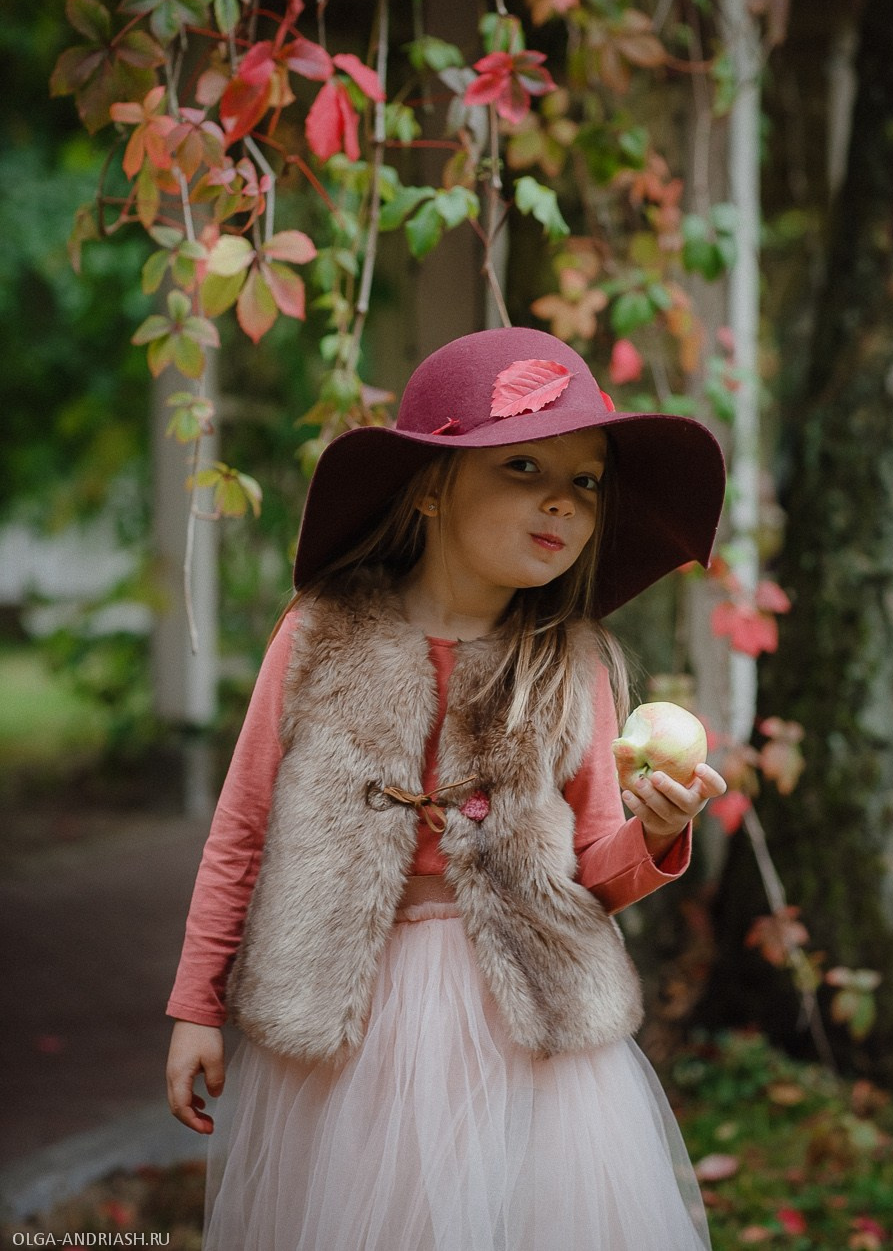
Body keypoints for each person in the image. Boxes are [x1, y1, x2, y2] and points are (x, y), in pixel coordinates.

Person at [165, 324, 728, 1251]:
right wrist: (196, 1005)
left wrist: (658, 835)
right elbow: (242, 829)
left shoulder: (568, 665)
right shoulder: (318, 636)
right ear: (431, 487)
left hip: (524, 1023)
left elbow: (592, 870)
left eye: (587, 482)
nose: (563, 501)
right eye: (522, 467)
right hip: (349, 1019)